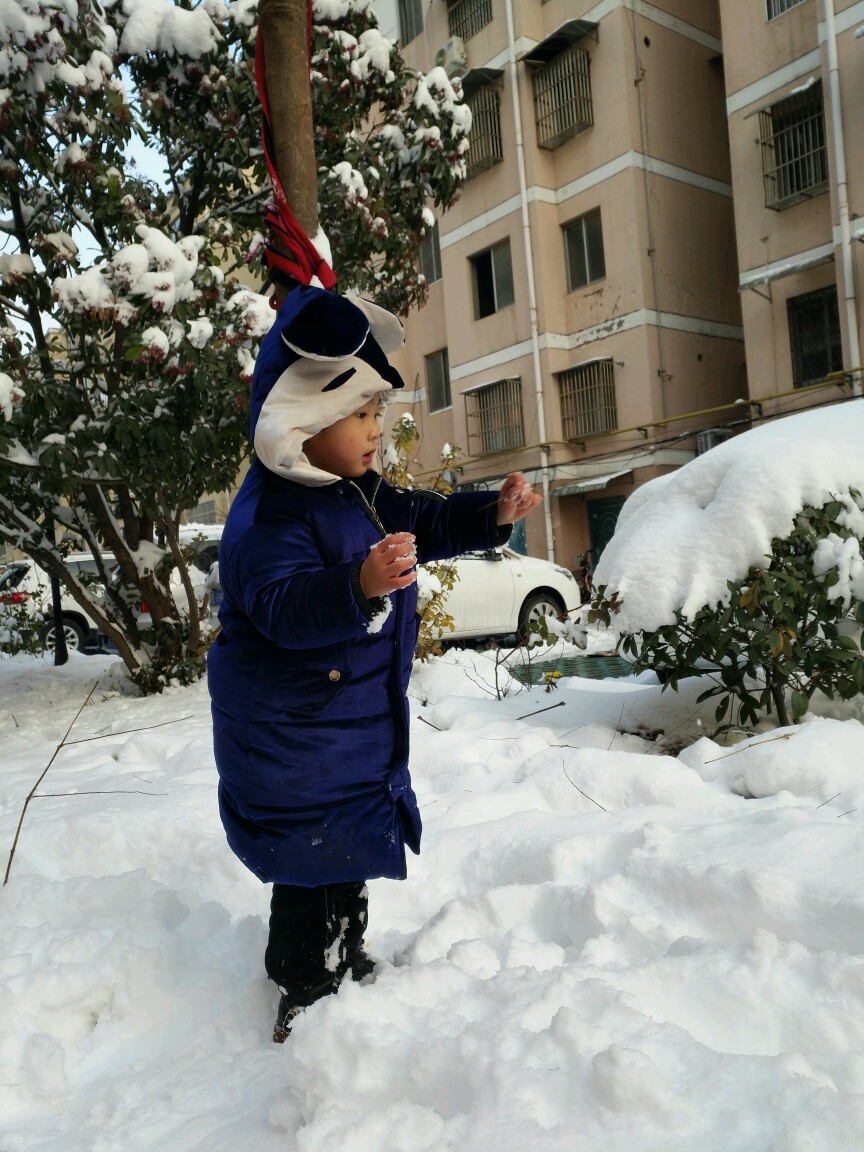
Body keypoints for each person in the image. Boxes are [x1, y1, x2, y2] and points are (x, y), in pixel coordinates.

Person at [207, 285, 541, 1042]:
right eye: (358, 415)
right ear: (302, 420)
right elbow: (283, 606)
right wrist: (356, 585)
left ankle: (345, 956)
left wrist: (489, 514)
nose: (373, 431)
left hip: (344, 735)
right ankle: (302, 988)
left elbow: (422, 517)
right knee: (307, 869)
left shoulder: (359, 492)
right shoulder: (269, 514)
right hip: (293, 740)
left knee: (346, 853)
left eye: (376, 414)